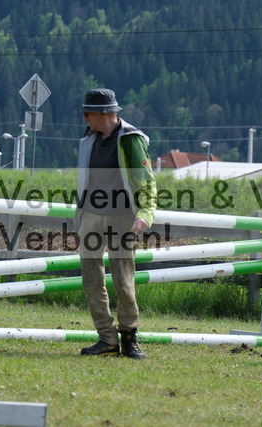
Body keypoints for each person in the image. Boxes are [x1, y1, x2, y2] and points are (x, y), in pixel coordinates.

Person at [77, 88, 156, 358]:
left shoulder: (131, 139)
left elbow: (146, 180)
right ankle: (106, 339)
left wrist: (145, 212)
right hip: (91, 215)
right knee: (91, 279)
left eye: (87, 113)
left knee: (123, 279)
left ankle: (130, 337)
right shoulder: (88, 139)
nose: (84, 118)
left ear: (102, 114)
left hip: (123, 218)